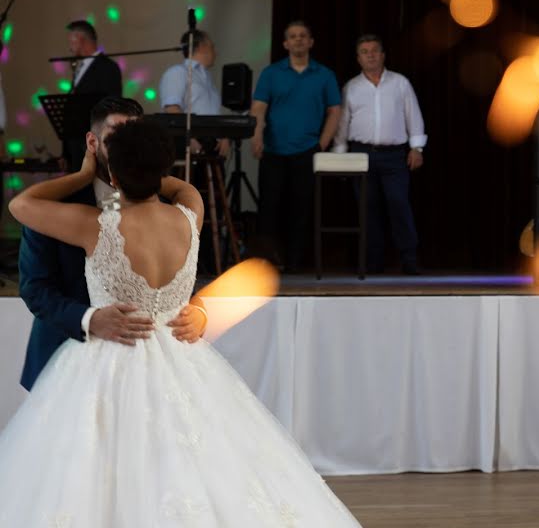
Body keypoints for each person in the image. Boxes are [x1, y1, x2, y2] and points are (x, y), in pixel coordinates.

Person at [0, 119, 361, 526]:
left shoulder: (93, 225)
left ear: (113, 173)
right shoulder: (191, 212)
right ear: (163, 169)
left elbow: (21, 204)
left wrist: (86, 172)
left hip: (109, 356)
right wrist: (152, 170)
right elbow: (177, 187)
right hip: (182, 355)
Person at [17, 96, 207, 391]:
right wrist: (88, 319)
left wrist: (199, 311)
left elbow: (183, 275)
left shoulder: (170, 206)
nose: (128, 146)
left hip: (165, 372)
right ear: (91, 142)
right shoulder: (57, 205)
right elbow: (35, 288)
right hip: (67, 364)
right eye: (117, 139)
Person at [250, 20, 341, 271]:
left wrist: (321, 144)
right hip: (274, 151)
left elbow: (335, 111)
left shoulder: (324, 75)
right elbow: (258, 108)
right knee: (269, 209)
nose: (298, 39)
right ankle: (265, 264)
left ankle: (296, 264)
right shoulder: (271, 73)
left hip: (307, 151)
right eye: (293, 36)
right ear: (285, 44)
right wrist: (256, 137)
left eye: (303, 35)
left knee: (302, 209)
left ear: (311, 42)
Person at [334, 34, 426, 275]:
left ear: (383, 55)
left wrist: (417, 147)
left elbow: (413, 115)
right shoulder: (351, 87)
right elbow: (342, 123)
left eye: (375, 50)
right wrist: (340, 154)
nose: (371, 55)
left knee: (399, 205)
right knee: (367, 209)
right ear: (358, 58)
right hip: (361, 155)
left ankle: (409, 259)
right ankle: (373, 262)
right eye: (365, 51)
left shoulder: (400, 83)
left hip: (394, 156)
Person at [159, 29, 230, 158]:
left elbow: (212, 112)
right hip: (189, 143)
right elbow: (172, 109)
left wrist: (223, 136)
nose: (215, 52)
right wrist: (188, 139)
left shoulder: (207, 78)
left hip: (211, 146)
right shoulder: (178, 72)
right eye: (212, 47)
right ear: (202, 47)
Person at [63, 20, 122, 170]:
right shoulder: (79, 68)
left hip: (93, 146)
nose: (70, 47)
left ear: (82, 40)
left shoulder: (107, 67)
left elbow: (111, 107)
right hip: (76, 146)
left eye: (72, 41)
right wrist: (65, 152)